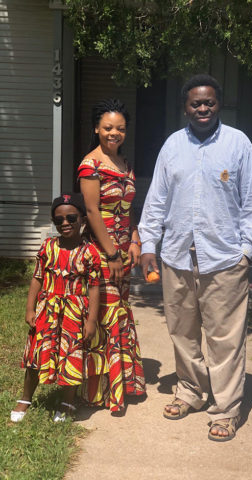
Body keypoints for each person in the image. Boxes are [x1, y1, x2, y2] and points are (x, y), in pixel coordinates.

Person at [138, 74, 252, 441]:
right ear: (185, 108)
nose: (203, 108)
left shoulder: (238, 144)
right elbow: (157, 199)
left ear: (218, 104)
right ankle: (190, 392)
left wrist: (245, 251)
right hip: (177, 256)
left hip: (224, 260)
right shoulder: (172, 146)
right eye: (196, 103)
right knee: (183, 333)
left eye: (209, 102)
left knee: (225, 340)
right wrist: (149, 244)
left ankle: (225, 410)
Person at [78, 99, 146, 413]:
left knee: (118, 315)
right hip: (101, 254)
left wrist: (134, 241)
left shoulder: (125, 163)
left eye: (120, 128)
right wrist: (113, 254)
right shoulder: (90, 164)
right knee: (103, 316)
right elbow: (92, 212)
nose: (114, 133)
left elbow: (127, 210)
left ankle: (121, 384)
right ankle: (98, 391)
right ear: (97, 128)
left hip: (123, 253)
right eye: (108, 128)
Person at [10, 193, 101, 423]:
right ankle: (26, 398)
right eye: (58, 220)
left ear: (82, 219)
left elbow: (94, 289)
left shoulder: (89, 252)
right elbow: (37, 278)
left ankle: (67, 401)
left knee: (71, 355)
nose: (65, 223)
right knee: (36, 354)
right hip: (47, 310)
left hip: (74, 312)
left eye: (71, 217)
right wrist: (30, 308)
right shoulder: (48, 246)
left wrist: (91, 320)